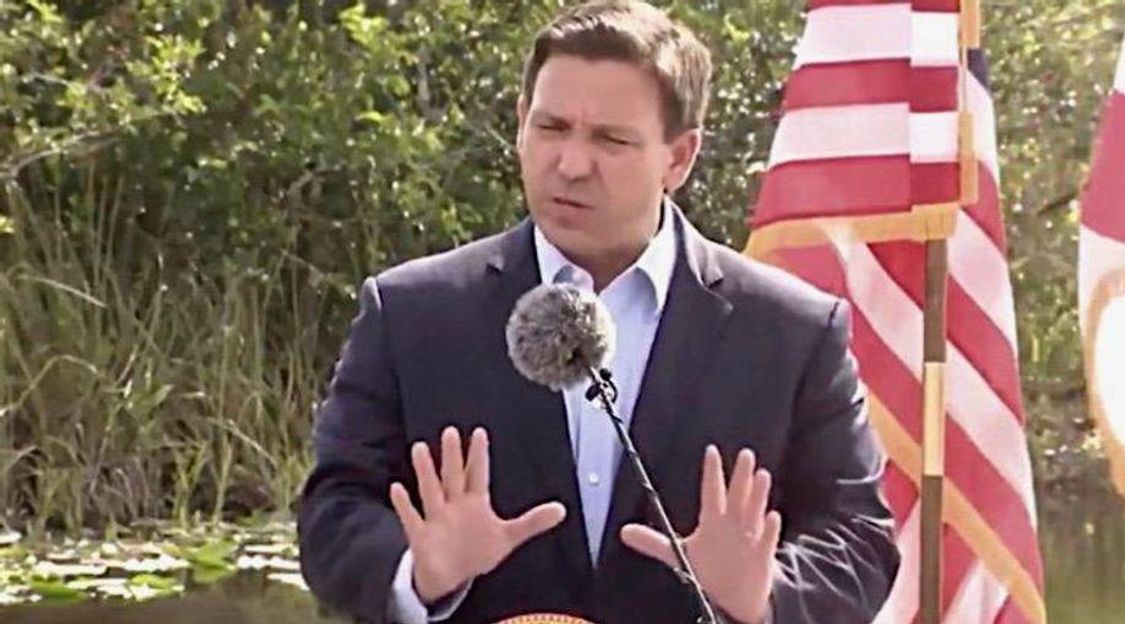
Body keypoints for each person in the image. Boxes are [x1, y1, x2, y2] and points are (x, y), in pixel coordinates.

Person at [297, 2, 899, 622]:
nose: (571, 165)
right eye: (551, 127)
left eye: (611, 140)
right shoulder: (411, 313)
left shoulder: (792, 332)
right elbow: (333, 509)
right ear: (521, 124)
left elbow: (858, 538)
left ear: (679, 157)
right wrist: (419, 572)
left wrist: (765, 596)